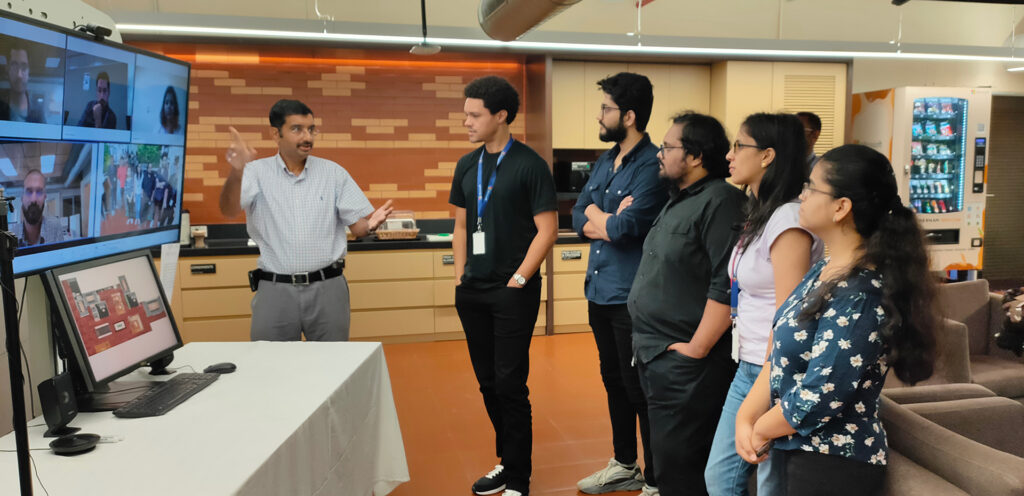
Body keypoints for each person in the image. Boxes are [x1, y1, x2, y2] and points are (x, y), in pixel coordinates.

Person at [735, 144, 937, 496]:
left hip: (831, 463)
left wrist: (761, 429)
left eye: (811, 187)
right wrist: (745, 417)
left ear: (842, 207)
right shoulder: (823, 271)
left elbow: (820, 394)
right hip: (790, 446)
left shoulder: (861, 294)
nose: (802, 195)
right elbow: (779, 356)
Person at [704, 113, 823, 496]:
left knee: (761, 484)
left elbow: (790, 315)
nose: (729, 155)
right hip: (751, 363)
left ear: (768, 155)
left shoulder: (787, 219)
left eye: (740, 145)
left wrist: (772, 380)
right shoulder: (760, 214)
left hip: (774, 369)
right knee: (722, 477)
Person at [627, 112, 746, 496]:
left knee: (681, 469)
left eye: (667, 147)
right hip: (655, 353)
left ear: (694, 156)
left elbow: (727, 282)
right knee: (666, 463)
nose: (659, 154)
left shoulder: (722, 202)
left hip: (686, 363)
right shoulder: (680, 200)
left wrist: (695, 349)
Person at [449, 76, 557, 496]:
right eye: (466, 115)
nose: (467, 122)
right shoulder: (466, 165)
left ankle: (519, 478)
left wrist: (519, 279)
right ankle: (507, 460)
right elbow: (460, 225)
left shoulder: (530, 165)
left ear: (501, 116)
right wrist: (460, 276)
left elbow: (546, 230)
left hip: (513, 292)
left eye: (474, 115)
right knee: (488, 383)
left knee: (511, 384)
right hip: (473, 290)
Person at [220, 98, 393, 342]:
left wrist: (371, 224)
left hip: (328, 288)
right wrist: (237, 172)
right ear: (275, 134)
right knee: (270, 368)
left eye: (311, 129)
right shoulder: (255, 173)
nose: (307, 137)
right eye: (297, 129)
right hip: (275, 289)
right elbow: (228, 210)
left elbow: (358, 228)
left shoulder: (333, 173)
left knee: (332, 368)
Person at [571, 72, 665, 496]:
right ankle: (625, 463)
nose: (599, 115)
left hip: (630, 297)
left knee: (639, 389)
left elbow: (629, 227)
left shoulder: (653, 164)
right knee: (613, 382)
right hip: (599, 290)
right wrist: (602, 218)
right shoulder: (607, 160)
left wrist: (603, 217)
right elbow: (576, 214)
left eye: (606, 108)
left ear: (628, 115)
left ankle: (657, 479)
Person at [17, 169, 65, 246]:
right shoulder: (10, 236)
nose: (33, 199)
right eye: (29, 191)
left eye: (39, 192)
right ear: (22, 197)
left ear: (45, 197)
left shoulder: (55, 228)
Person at [0, 44, 44, 123]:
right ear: (8, 70)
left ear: (29, 72)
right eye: (14, 66)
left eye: (24, 67)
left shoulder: (38, 111)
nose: (19, 75)